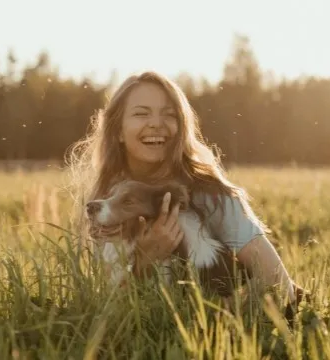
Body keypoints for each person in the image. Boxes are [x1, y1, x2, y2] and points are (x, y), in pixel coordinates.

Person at [67, 71, 308, 323]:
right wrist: (144, 260)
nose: (156, 124)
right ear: (117, 130)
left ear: (182, 127)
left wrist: (226, 317)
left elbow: (280, 286)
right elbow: (108, 304)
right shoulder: (103, 199)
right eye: (141, 113)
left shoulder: (211, 195)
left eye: (169, 114)